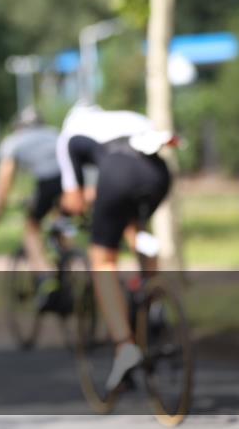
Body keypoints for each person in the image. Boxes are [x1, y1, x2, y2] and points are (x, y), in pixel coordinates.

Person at [55, 103, 176, 392]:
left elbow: (74, 201)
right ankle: (153, 300)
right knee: (136, 229)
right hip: (159, 175)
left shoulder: (68, 135)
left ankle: (124, 347)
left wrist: (70, 208)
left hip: (118, 174)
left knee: (103, 261)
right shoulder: (128, 117)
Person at [0, 107, 63, 275]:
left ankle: (44, 274)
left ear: (19, 126)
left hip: (47, 183)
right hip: (69, 182)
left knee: (31, 227)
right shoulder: (55, 134)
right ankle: (74, 265)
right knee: (62, 222)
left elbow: (4, 181)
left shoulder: (14, 141)